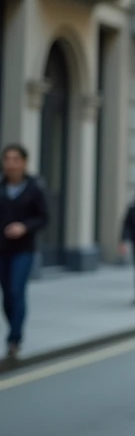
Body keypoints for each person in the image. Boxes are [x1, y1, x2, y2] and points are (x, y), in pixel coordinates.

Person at [0, 144, 48, 358]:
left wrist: (24, 227)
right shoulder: (0, 187)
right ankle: (14, 329)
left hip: (24, 250)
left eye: (15, 159)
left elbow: (44, 218)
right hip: (2, 250)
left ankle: (14, 338)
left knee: (16, 291)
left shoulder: (34, 188)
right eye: (7, 159)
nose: (10, 163)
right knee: (7, 297)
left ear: (24, 163)